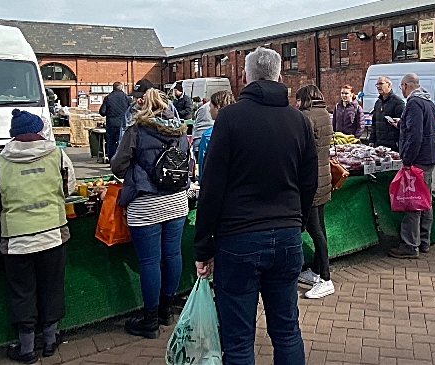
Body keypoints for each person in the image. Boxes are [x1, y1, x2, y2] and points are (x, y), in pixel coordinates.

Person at [194, 47, 317, 365]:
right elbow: (309, 182)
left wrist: (202, 247)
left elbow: (212, 187)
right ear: (279, 76)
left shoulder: (230, 119)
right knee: (287, 331)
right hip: (286, 236)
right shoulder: (299, 121)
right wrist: (297, 221)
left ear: (245, 76)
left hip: (239, 239)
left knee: (237, 340)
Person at [0, 109, 76, 364]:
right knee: (51, 287)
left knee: (22, 292)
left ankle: (26, 349)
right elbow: (69, 188)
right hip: (52, 235)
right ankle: (49, 340)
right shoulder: (57, 154)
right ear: (38, 131)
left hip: (17, 240)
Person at [111, 87, 190, 339]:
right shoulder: (180, 132)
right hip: (177, 200)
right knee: (173, 254)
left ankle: (150, 321)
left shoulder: (136, 130)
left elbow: (117, 165)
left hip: (146, 204)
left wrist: (136, 174)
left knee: (149, 262)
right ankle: (167, 311)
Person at [388, 74, 435, 259]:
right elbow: (425, 128)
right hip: (429, 157)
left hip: (417, 159)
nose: (401, 90)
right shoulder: (428, 102)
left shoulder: (414, 103)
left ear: (405, 85)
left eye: (401, 86)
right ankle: (424, 241)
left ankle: (410, 245)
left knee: (413, 201)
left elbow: (415, 135)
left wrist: (407, 160)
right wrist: (402, 124)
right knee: (425, 200)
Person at [295, 85, 335, 299]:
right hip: (323, 176)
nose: (296, 103)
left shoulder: (306, 117)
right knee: (320, 227)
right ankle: (318, 270)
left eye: (298, 99)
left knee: (314, 230)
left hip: (311, 180)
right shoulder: (324, 114)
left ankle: (326, 279)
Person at [194, 89, 235, 164]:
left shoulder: (208, 135)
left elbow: (203, 165)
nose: (209, 110)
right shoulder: (242, 130)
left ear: (218, 107)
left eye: (210, 107)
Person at [368, 76, 405, 151]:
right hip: (379, 145)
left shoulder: (398, 102)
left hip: (393, 146)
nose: (378, 86)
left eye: (381, 84)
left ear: (389, 85)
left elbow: (403, 125)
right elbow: (374, 123)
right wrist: (372, 140)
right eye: (377, 84)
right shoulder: (378, 102)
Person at [99, 82, 130, 160]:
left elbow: (102, 112)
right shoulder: (126, 98)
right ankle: (121, 160)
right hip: (123, 124)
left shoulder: (108, 98)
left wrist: (109, 113)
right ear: (121, 88)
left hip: (111, 124)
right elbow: (131, 110)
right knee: (122, 142)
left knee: (111, 143)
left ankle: (111, 159)